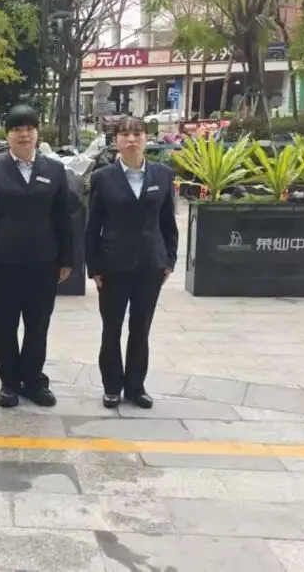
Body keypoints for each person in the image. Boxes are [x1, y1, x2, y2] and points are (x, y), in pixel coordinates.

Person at [0, 105, 73, 408]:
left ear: (37, 133)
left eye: (29, 128)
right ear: (8, 135)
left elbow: (63, 218)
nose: (24, 134)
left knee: (38, 324)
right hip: (4, 264)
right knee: (4, 325)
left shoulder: (54, 170)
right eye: (17, 129)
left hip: (44, 262)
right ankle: (9, 383)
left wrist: (67, 259)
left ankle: (33, 380)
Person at [85, 115, 179, 410]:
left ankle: (136, 386)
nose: (131, 139)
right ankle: (112, 386)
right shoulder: (102, 178)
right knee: (111, 328)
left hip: (150, 265)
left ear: (146, 138)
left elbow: (168, 222)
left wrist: (169, 259)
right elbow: (93, 225)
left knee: (141, 328)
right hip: (113, 266)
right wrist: (93, 267)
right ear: (116, 140)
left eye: (137, 134)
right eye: (124, 134)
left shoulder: (162, 175)